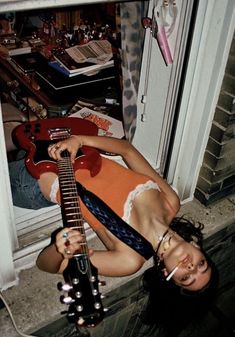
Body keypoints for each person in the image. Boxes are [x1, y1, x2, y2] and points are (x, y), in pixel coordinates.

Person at [9, 133, 215, 294]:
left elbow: (47, 265)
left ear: (166, 274)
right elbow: (127, 151)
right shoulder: (171, 201)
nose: (191, 266)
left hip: (32, 179)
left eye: (186, 277)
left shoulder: (129, 260)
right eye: (201, 264)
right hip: (65, 145)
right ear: (197, 247)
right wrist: (78, 140)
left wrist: (60, 245)